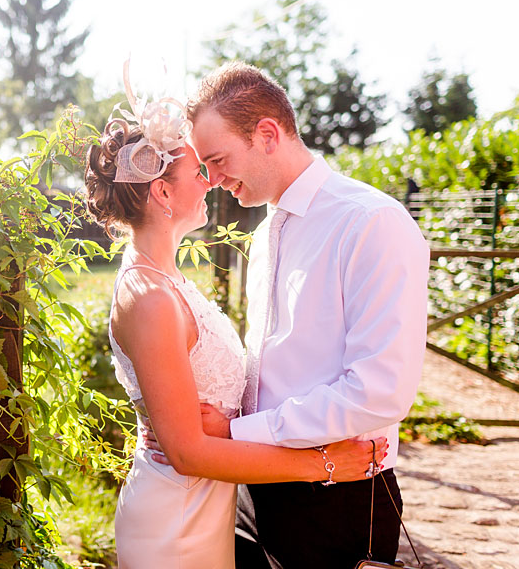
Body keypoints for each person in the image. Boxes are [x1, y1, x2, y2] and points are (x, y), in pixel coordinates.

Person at [83, 63, 387, 568]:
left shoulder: (166, 280)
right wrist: (323, 463)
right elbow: (187, 453)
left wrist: (232, 423)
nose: (212, 182)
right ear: (162, 192)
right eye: (199, 171)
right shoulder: (149, 297)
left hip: (208, 505)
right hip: (176, 518)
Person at [176, 61, 431, 568]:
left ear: (267, 134)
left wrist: (237, 435)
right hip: (255, 487)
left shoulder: (371, 223)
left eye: (218, 159)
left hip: (336, 496)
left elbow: (378, 392)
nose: (213, 178)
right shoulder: (266, 230)